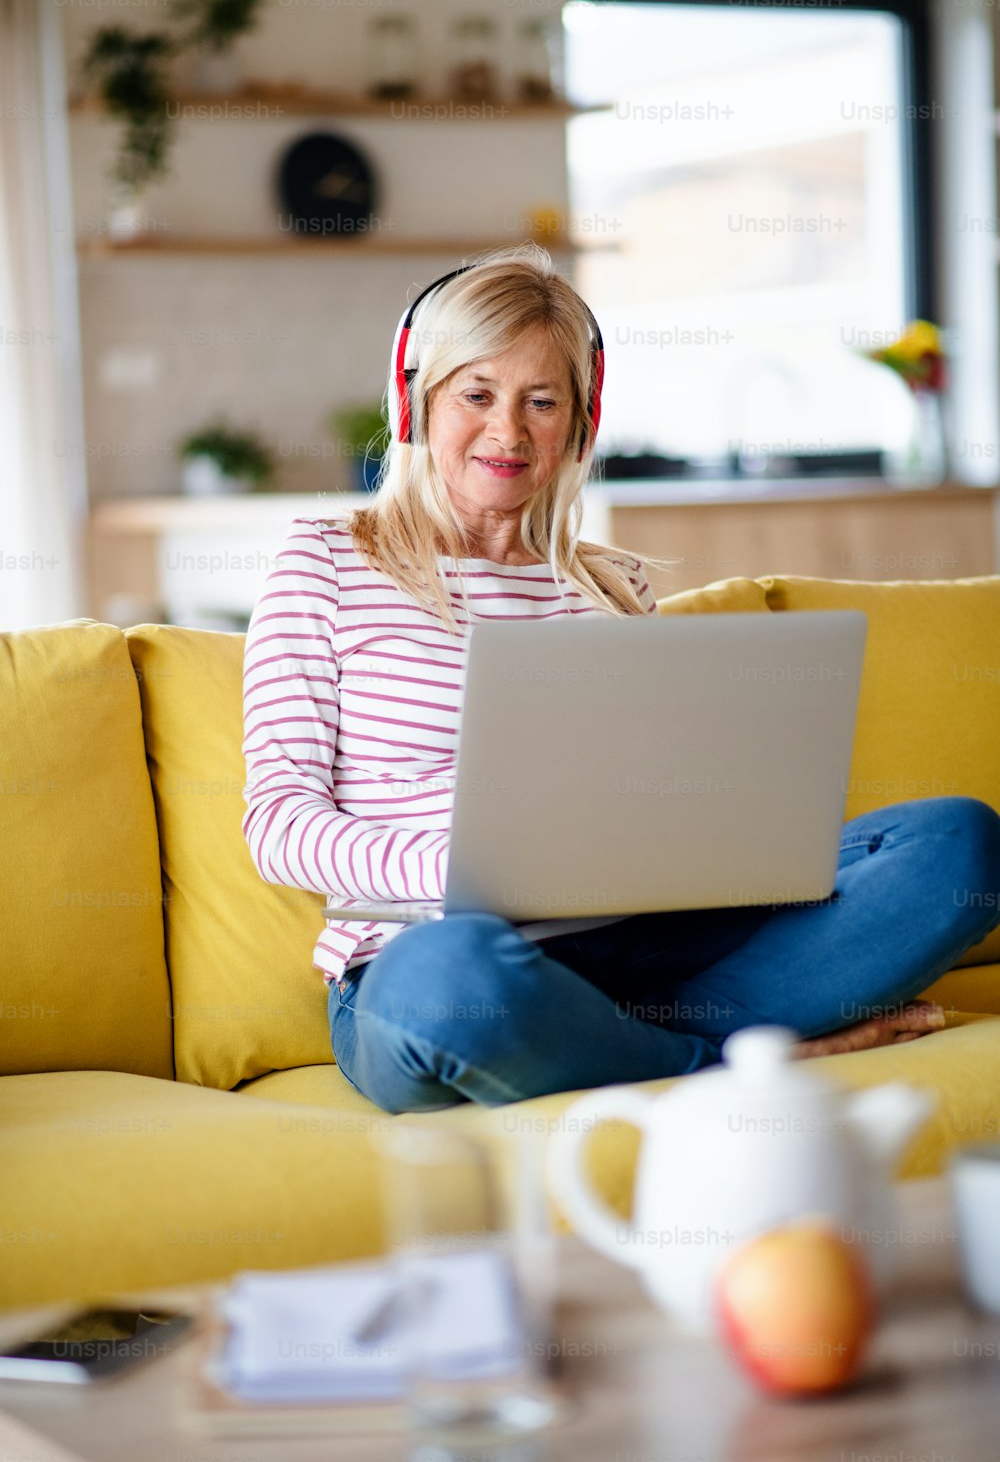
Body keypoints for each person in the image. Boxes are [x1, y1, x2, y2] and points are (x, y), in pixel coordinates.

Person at [241, 244, 1000, 1114]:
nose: (509, 432)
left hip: (643, 948)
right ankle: (721, 1059)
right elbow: (278, 821)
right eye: (477, 395)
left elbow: (650, 796)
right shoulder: (326, 563)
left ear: (580, 420)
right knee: (450, 985)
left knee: (957, 846)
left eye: (542, 401)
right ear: (417, 400)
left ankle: (615, 1041)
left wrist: (713, 829)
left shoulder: (609, 587)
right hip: (439, 954)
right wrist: (471, 868)